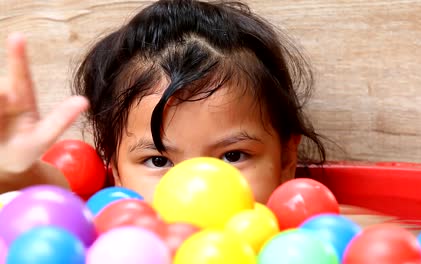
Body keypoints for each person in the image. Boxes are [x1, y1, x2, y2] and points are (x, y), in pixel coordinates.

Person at [0, 0, 326, 203]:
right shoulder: (108, 235)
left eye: (232, 156)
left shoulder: (304, 238)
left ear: (285, 160)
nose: (195, 190)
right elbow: (56, 199)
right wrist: (12, 173)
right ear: (115, 170)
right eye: (158, 161)